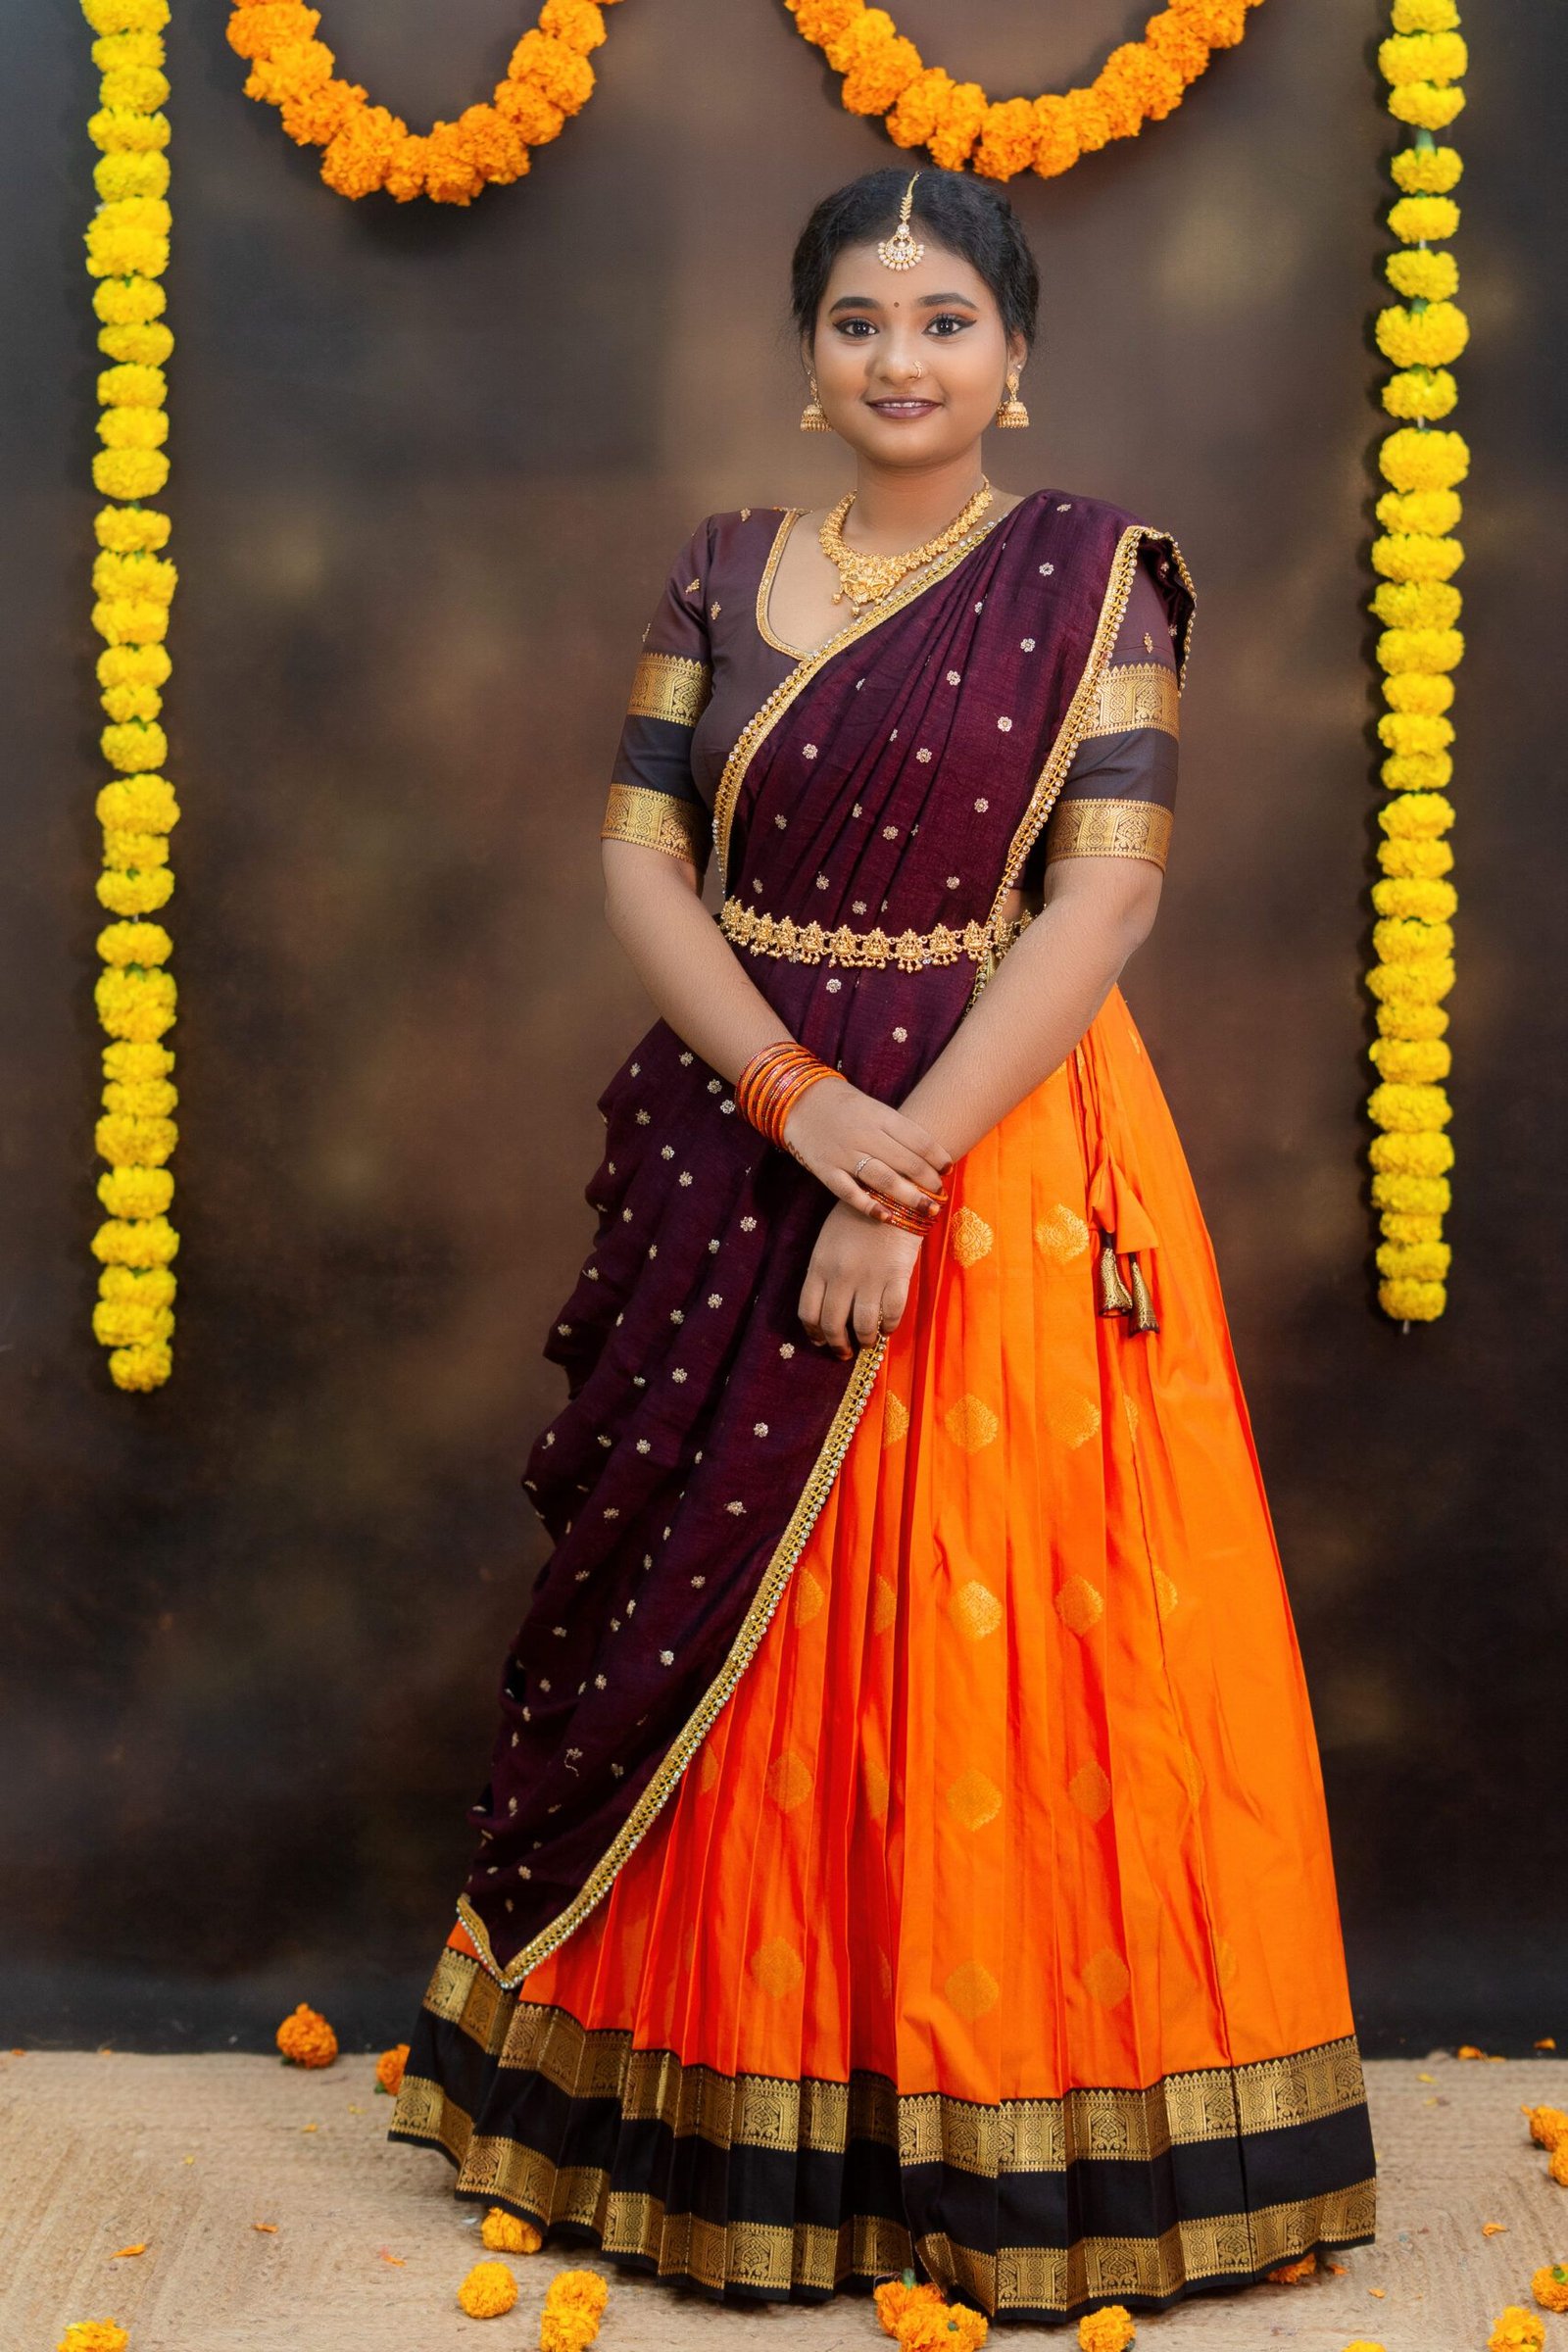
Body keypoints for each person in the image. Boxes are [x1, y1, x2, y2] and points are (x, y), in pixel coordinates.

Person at [390, 165, 1376, 2328]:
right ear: (807, 354)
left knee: (976, 1623)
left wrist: (895, 1166)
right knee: (713, 1608)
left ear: (1013, 360)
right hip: (741, 1133)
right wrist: (793, 1104)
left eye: (944, 321)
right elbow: (641, 864)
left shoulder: (1092, 576)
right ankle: (717, 2107)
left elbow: (1105, 898)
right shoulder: (720, 568)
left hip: (999, 1142)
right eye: (858, 320)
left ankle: (994, 2123)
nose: (899, 357)